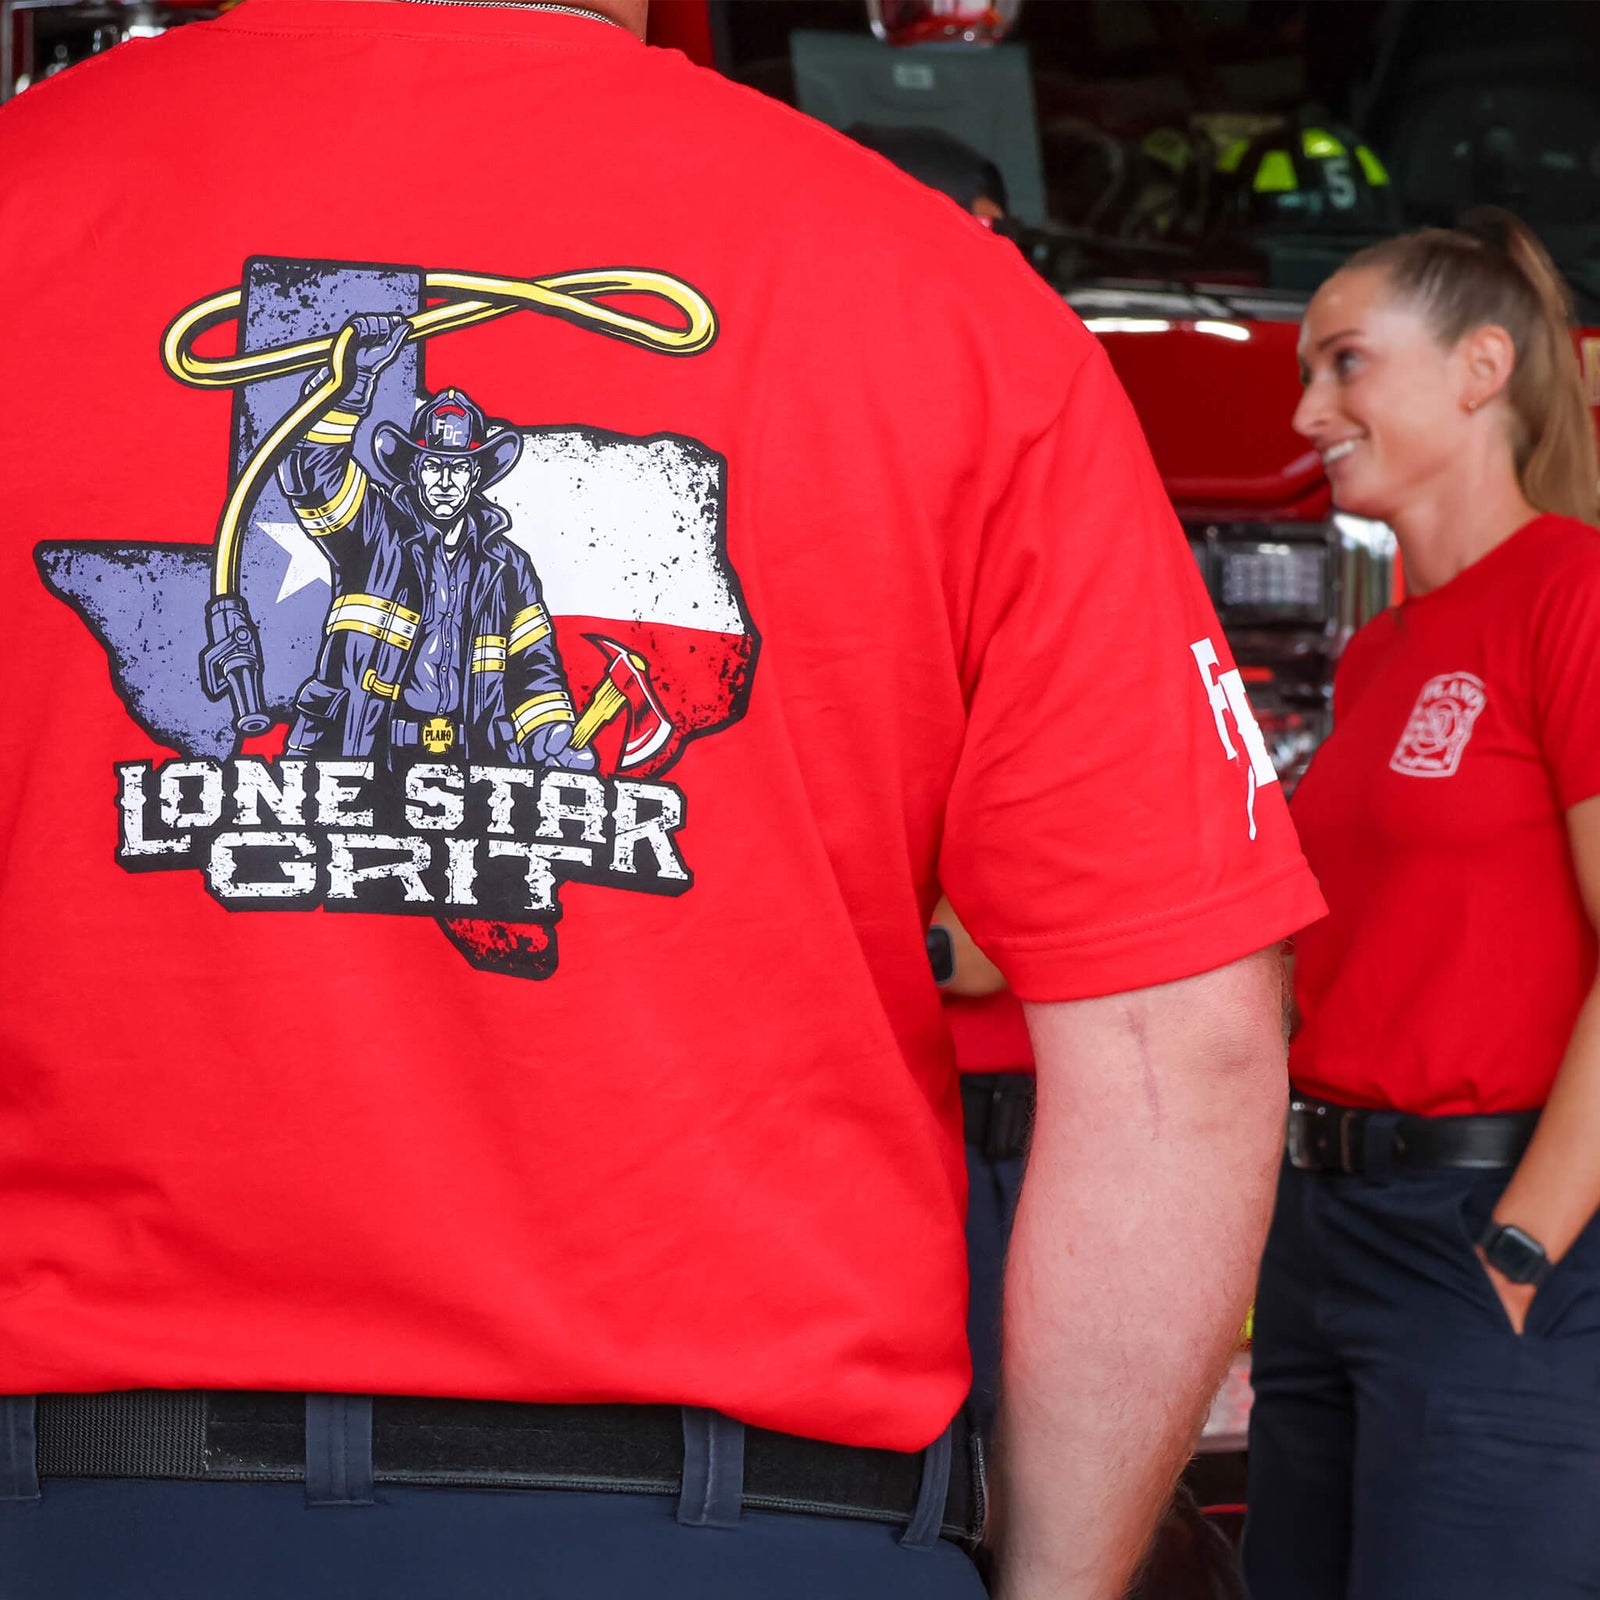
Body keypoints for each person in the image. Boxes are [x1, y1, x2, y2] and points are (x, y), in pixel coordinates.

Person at [0, 3, 1324, 1597]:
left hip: (83, 1509)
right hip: (743, 1532)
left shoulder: (38, 204)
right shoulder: (936, 302)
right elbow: (1184, 1047)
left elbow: (517, 651)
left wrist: (554, 734)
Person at [1244, 209, 1600, 1600]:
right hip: (1330, 1233)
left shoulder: (1571, 594)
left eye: (1344, 364)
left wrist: (1519, 1247)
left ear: (1480, 368)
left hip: (1486, 1233)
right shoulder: (1382, 650)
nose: (1306, 408)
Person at [281, 325, 592, 769]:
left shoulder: (509, 568)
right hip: (360, 749)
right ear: (414, 470)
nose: (445, 483)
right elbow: (314, 474)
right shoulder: (373, 531)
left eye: (459, 469)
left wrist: (552, 735)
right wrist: (352, 383)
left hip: (474, 763)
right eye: (433, 467)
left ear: (476, 475)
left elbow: (532, 667)